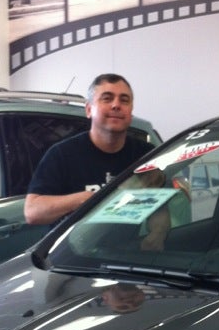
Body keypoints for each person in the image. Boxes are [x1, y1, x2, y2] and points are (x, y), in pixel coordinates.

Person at [24, 73, 152, 226]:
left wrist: (157, 233)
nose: (116, 105)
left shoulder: (147, 156)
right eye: (107, 98)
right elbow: (32, 212)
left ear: (131, 111)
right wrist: (85, 199)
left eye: (124, 100)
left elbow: (161, 207)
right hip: (75, 242)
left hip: (129, 242)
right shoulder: (62, 154)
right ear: (89, 110)